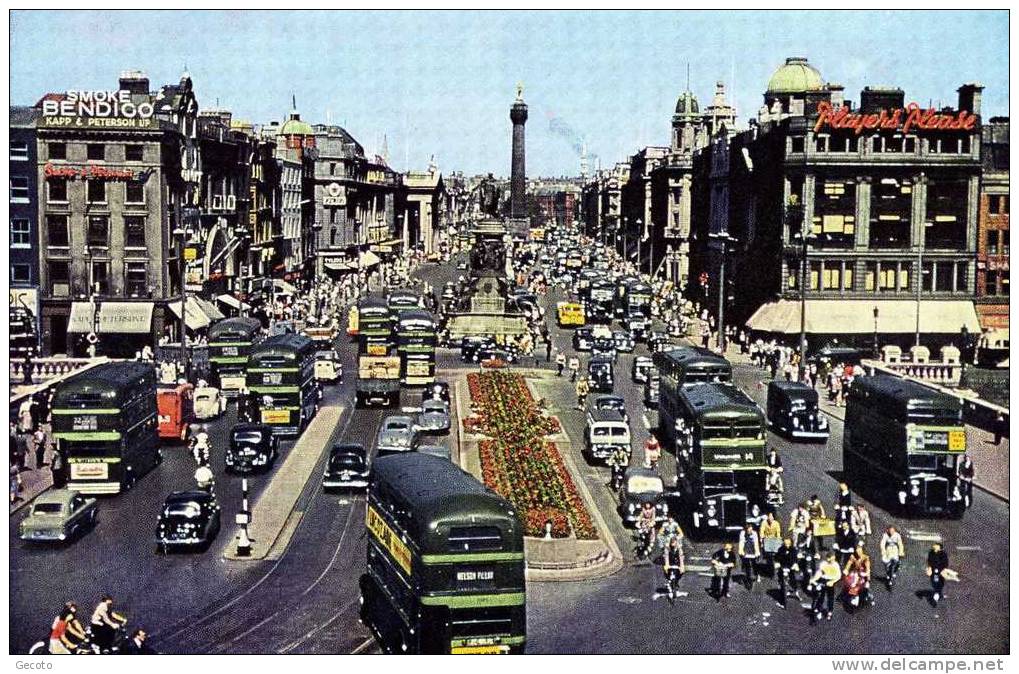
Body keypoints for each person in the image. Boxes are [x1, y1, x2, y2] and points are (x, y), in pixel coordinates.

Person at [810, 553, 842, 621]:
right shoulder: (823, 564)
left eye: (833, 559)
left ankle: (830, 612)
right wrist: (814, 579)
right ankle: (819, 609)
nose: (832, 560)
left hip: (830, 582)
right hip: (823, 580)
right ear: (828, 558)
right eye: (831, 559)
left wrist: (832, 582)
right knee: (821, 596)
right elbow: (819, 573)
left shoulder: (836, 565)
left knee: (830, 598)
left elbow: (838, 576)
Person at [843, 544, 874, 609]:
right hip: (855, 573)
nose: (858, 554)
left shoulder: (865, 557)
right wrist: (846, 569)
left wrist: (868, 578)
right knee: (849, 582)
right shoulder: (853, 557)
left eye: (860, 552)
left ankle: (870, 597)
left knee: (866, 587)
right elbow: (849, 563)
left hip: (863, 574)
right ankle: (850, 593)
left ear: (862, 551)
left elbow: (868, 568)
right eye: (857, 552)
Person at [773, 537, 800, 607]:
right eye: (785, 543)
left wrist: (795, 564)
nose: (787, 545)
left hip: (790, 567)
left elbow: (795, 559)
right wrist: (777, 563)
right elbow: (776, 558)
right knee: (781, 581)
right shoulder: (780, 549)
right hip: (782, 567)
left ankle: (795, 589)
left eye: (788, 543)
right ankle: (782, 600)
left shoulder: (794, 550)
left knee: (793, 578)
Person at [738, 523, 761, 588]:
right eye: (748, 531)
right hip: (746, 548)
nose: (750, 532)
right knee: (746, 564)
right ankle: (746, 576)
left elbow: (756, 543)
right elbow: (741, 542)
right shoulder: (742, 533)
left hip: (752, 548)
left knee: (755, 564)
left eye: (751, 530)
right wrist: (741, 551)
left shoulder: (754, 533)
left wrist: (757, 552)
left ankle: (757, 574)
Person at [663, 535, 685, 600]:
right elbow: (666, 558)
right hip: (670, 565)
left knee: (680, 573)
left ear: (676, 542)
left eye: (674, 542)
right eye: (672, 542)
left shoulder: (679, 549)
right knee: (666, 571)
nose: (673, 544)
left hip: (677, 565)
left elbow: (681, 559)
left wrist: (682, 566)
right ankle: (668, 581)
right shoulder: (667, 549)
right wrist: (667, 565)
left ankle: (676, 582)